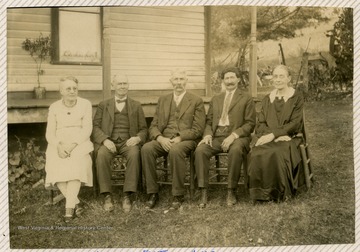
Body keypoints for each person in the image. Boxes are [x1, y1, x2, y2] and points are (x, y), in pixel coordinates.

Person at [141, 69, 206, 210]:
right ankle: (152, 192)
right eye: (175, 79)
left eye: (181, 79)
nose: (178, 83)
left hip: (186, 140)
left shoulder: (196, 100)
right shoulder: (163, 100)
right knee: (146, 149)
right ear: (171, 82)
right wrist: (160, 138)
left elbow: (198, 129)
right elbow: (153, 125)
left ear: (186, 81)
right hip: (164, 138)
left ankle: (178, 194)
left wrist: (180, 137)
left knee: (176, 150)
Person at [194, 67, 256, 208]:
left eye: (232, 78)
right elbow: (209, 121)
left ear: (238, 79)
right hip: (217, 136)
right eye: (226, 78)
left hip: (238, 136)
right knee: (200, 150)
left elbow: (250, 124)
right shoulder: (216, 99)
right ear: (223, 81)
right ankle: (203, 190)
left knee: (235, 150)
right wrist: (208, 134)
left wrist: (233, 135)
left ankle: (231, 190)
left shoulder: (246, 98)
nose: (229, 81)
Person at [248, 65, 304, 202]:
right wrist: (270, 136)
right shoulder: (268, 98)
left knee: (278, 152)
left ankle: (280, 192)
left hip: (290, 137)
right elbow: (261, 123)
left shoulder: (296, 97)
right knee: (256, 152)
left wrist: (276, 135)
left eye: (281, 76)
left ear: (289, 79)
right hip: (269, 136)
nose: (278, 80)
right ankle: (260, 193)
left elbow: (295, 123)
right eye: (275, 76)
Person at [92, 74, 147, 213]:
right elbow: (95, 126)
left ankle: (127, 194)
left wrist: (138, 138)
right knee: (102, 155)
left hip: (128, 142)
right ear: (113, 86)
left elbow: (144, 129)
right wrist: (104, 139)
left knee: (134, 154)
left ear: (128, 85)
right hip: (109, 141)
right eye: (119, 84)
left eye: (125, 83)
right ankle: (107, 195)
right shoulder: (103, 105)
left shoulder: (136, 105)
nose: (122, 86)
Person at [45, 76, 93, 223]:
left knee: (77, 162)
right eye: (68, 89)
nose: (72, 91)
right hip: (58, 142)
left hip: (79, 141)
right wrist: (58, 145)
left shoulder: (85, 104)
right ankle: (75, 203)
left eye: (75, 88)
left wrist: (72, 145)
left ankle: (69, 207)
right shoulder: (54, 107)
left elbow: (87, 129)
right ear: (61, 91)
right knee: (54, 162)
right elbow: (49, 133)